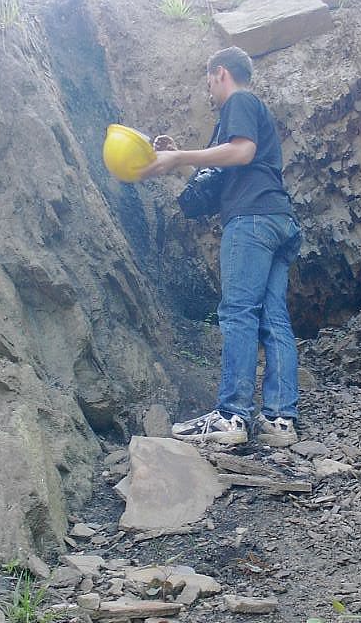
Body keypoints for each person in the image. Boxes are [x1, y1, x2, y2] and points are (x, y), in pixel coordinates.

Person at [140, 46, 302, 447]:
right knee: (273, 318)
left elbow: (241, 151)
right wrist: (182, 161)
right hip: (278, 221)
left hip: (250, 222)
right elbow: (220, 180)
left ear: (220, 74)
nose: (209, 91)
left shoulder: (240, 100)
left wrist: (179, 155)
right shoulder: (252, 112)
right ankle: (280, 421)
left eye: (208, 81)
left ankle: (231, 415)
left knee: (239, 312)